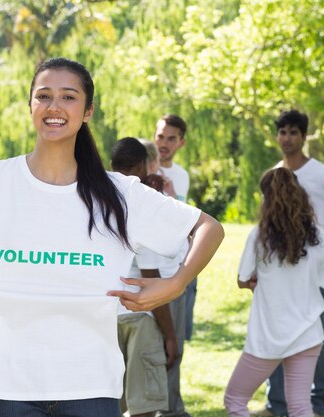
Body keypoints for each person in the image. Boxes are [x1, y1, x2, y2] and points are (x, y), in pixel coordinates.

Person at [0, 57, 224, 417]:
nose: (54, 106)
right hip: (6, 386)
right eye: (43, 96)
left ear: (88, 111)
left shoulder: (121, 194)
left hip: (91, 386)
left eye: (68, 97)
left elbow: (208, 228)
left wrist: (177, 282)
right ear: (30, 105)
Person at [224, 167, 324, 417]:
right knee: (301, 407)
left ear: (266, 198)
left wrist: (253, 282)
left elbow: (242, 278)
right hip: (308, 333)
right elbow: (323, 281)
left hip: (269, 337)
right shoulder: (318, 236)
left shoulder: (259, 236)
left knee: (235, 400)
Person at [255, 110, 324, 417]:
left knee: (317, 335)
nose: (287, 138)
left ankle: (318, 403)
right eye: (282, 132)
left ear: (304, 137)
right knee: (277, 332)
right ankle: (276, 403)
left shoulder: (321, 174)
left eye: (293, 132)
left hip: (313, 270)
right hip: (279, 271)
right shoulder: (274, 173)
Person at [111, 137, 180, 417]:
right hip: (141, 315)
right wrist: (170, 335)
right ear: (142, 165)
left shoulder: (98, 198)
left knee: (107, 401)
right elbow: (151, 278)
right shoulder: (144, 204)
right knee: (143, 407)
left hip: (107, 313)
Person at [153, 115, 195, 417]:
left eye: (171, 138)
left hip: (179, 268)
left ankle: (171, 408)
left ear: (181, 142)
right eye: (160, 136)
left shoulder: (181, 175)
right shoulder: (145, 171)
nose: (164, 144)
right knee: (152, 343)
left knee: (174, 344)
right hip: (150, 269)